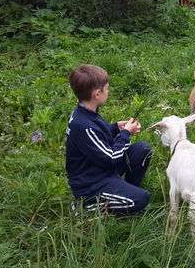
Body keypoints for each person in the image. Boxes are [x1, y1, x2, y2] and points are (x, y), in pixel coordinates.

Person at [65, 64, 152, 214]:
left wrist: (116, 128)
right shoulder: (83, 125)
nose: (108, 91)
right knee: (141, 199)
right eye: (107, 88)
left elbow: (98, 138)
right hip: (92, 183)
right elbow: (110, 158)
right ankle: (85, 206)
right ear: (97, 94)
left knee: (143, 149)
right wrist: (125, 134)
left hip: (101, 169)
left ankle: (126, 190)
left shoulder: (87, 112)